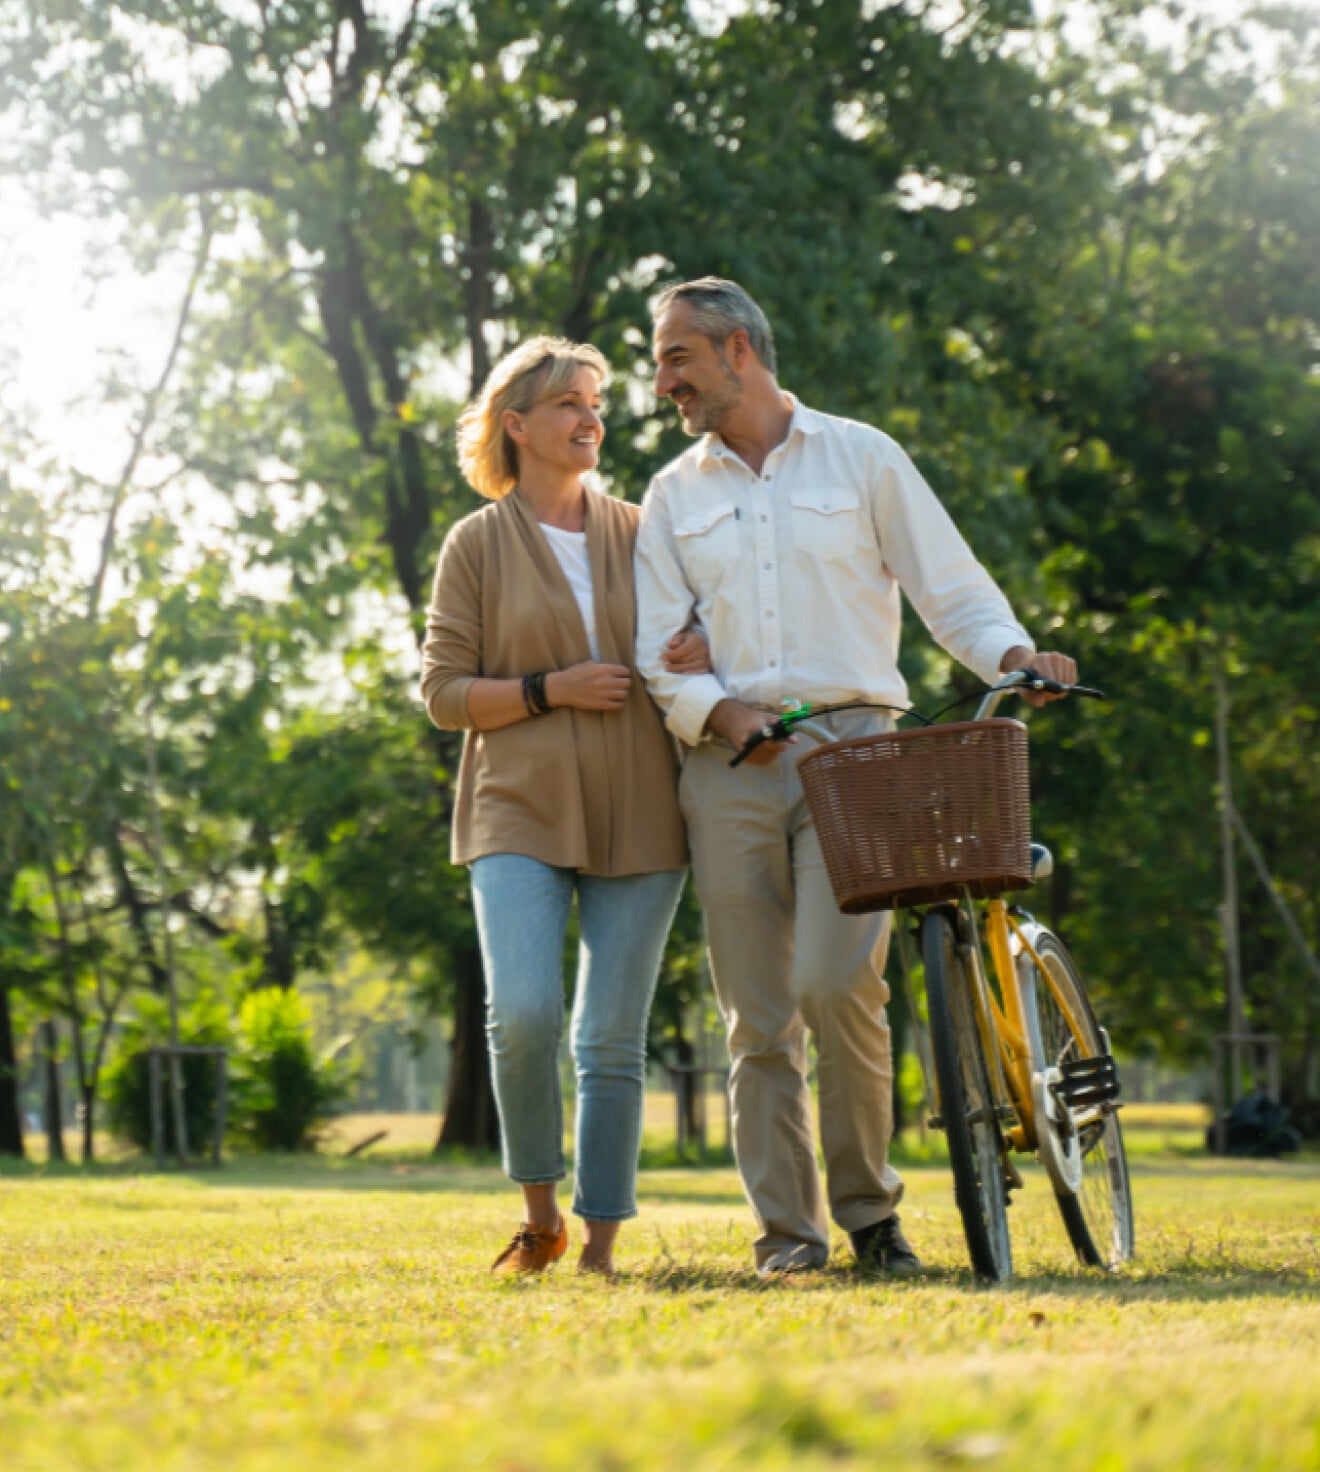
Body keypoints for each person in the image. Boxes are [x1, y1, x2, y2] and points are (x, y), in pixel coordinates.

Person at [633, 277, 1077, 1278]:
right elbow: (657, 651)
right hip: (727, 766)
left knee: (838, 984)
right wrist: (723, 712)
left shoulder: (862, 456)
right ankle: (788, 1238)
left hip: (856, 759)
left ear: (737, 348)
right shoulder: (672, 494)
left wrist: (1012, 655)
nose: (661, 381)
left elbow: (949, 586)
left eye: (675, 357)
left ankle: (872, 1219)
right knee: (757, 1018)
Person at [421, 336, 704, 1277]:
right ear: (518, 426)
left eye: (596, 403)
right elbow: (445, 695)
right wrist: (550, 689)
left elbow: (700, 632)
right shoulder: (475, 545)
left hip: (644, 807)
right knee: (526, 1013)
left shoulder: (647, 526)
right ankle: (537, 1214)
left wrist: (702, 649)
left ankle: (600, 1248)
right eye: (569, 405)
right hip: (517, 808)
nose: (592, 420)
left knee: (610, 1036)